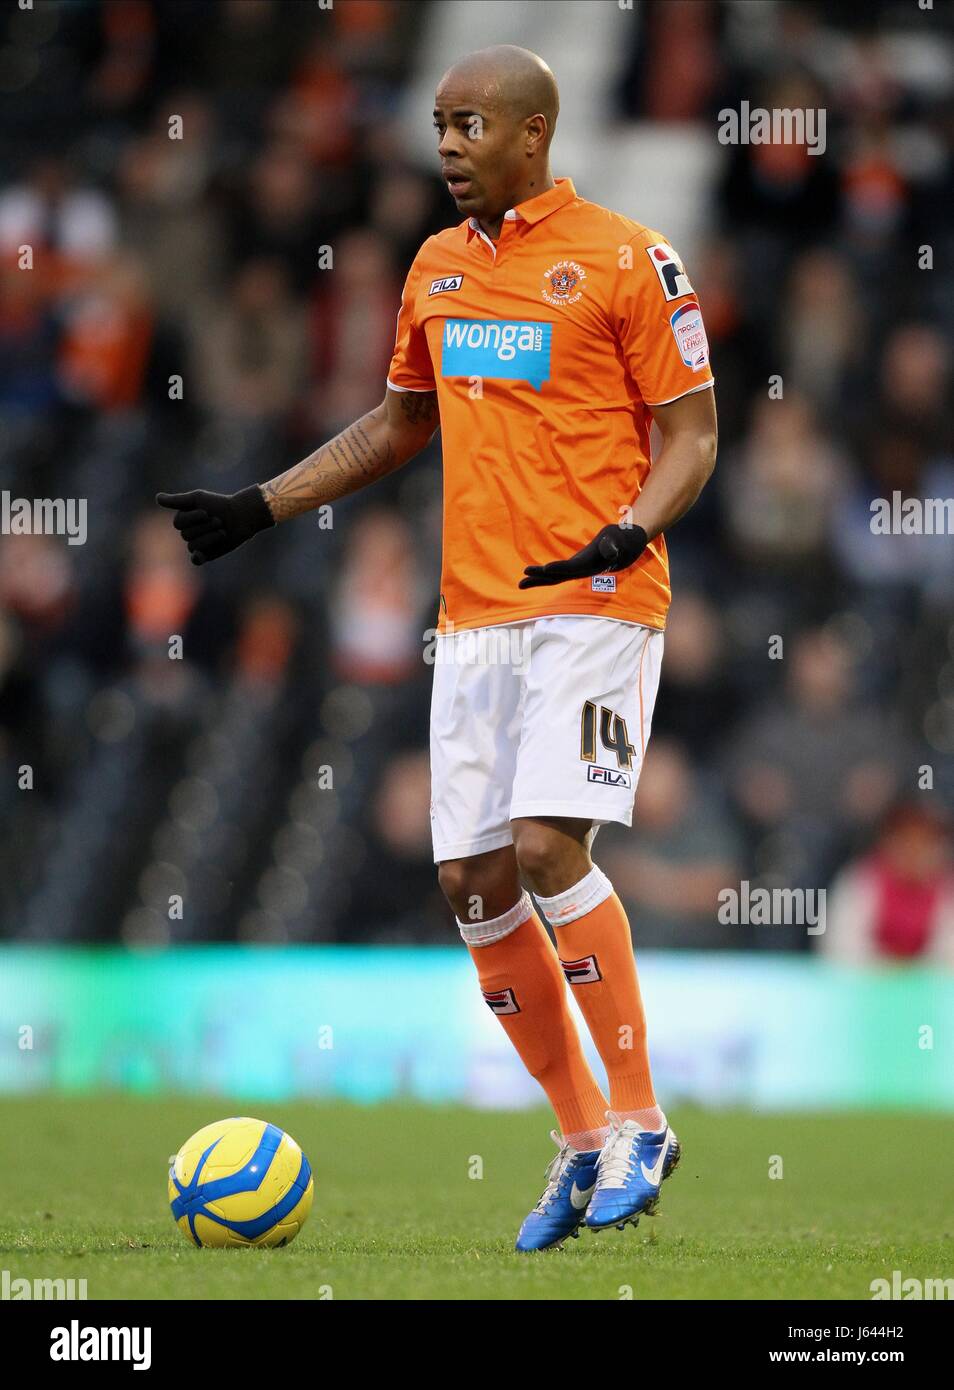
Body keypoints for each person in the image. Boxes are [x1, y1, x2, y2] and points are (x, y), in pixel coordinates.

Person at [158, 45, 717, 1251]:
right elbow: (403, 419)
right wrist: (265, 503)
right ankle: (575, 1142)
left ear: (534, 134)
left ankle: (639, 1119)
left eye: (470, 124)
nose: (449, 145)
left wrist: (632, 527)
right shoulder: (435, 268)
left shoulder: (630, 258)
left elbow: (694, 434)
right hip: (474, 620)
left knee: (546, 843)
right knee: (472, 879)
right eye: (439, 124)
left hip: (596, 602)